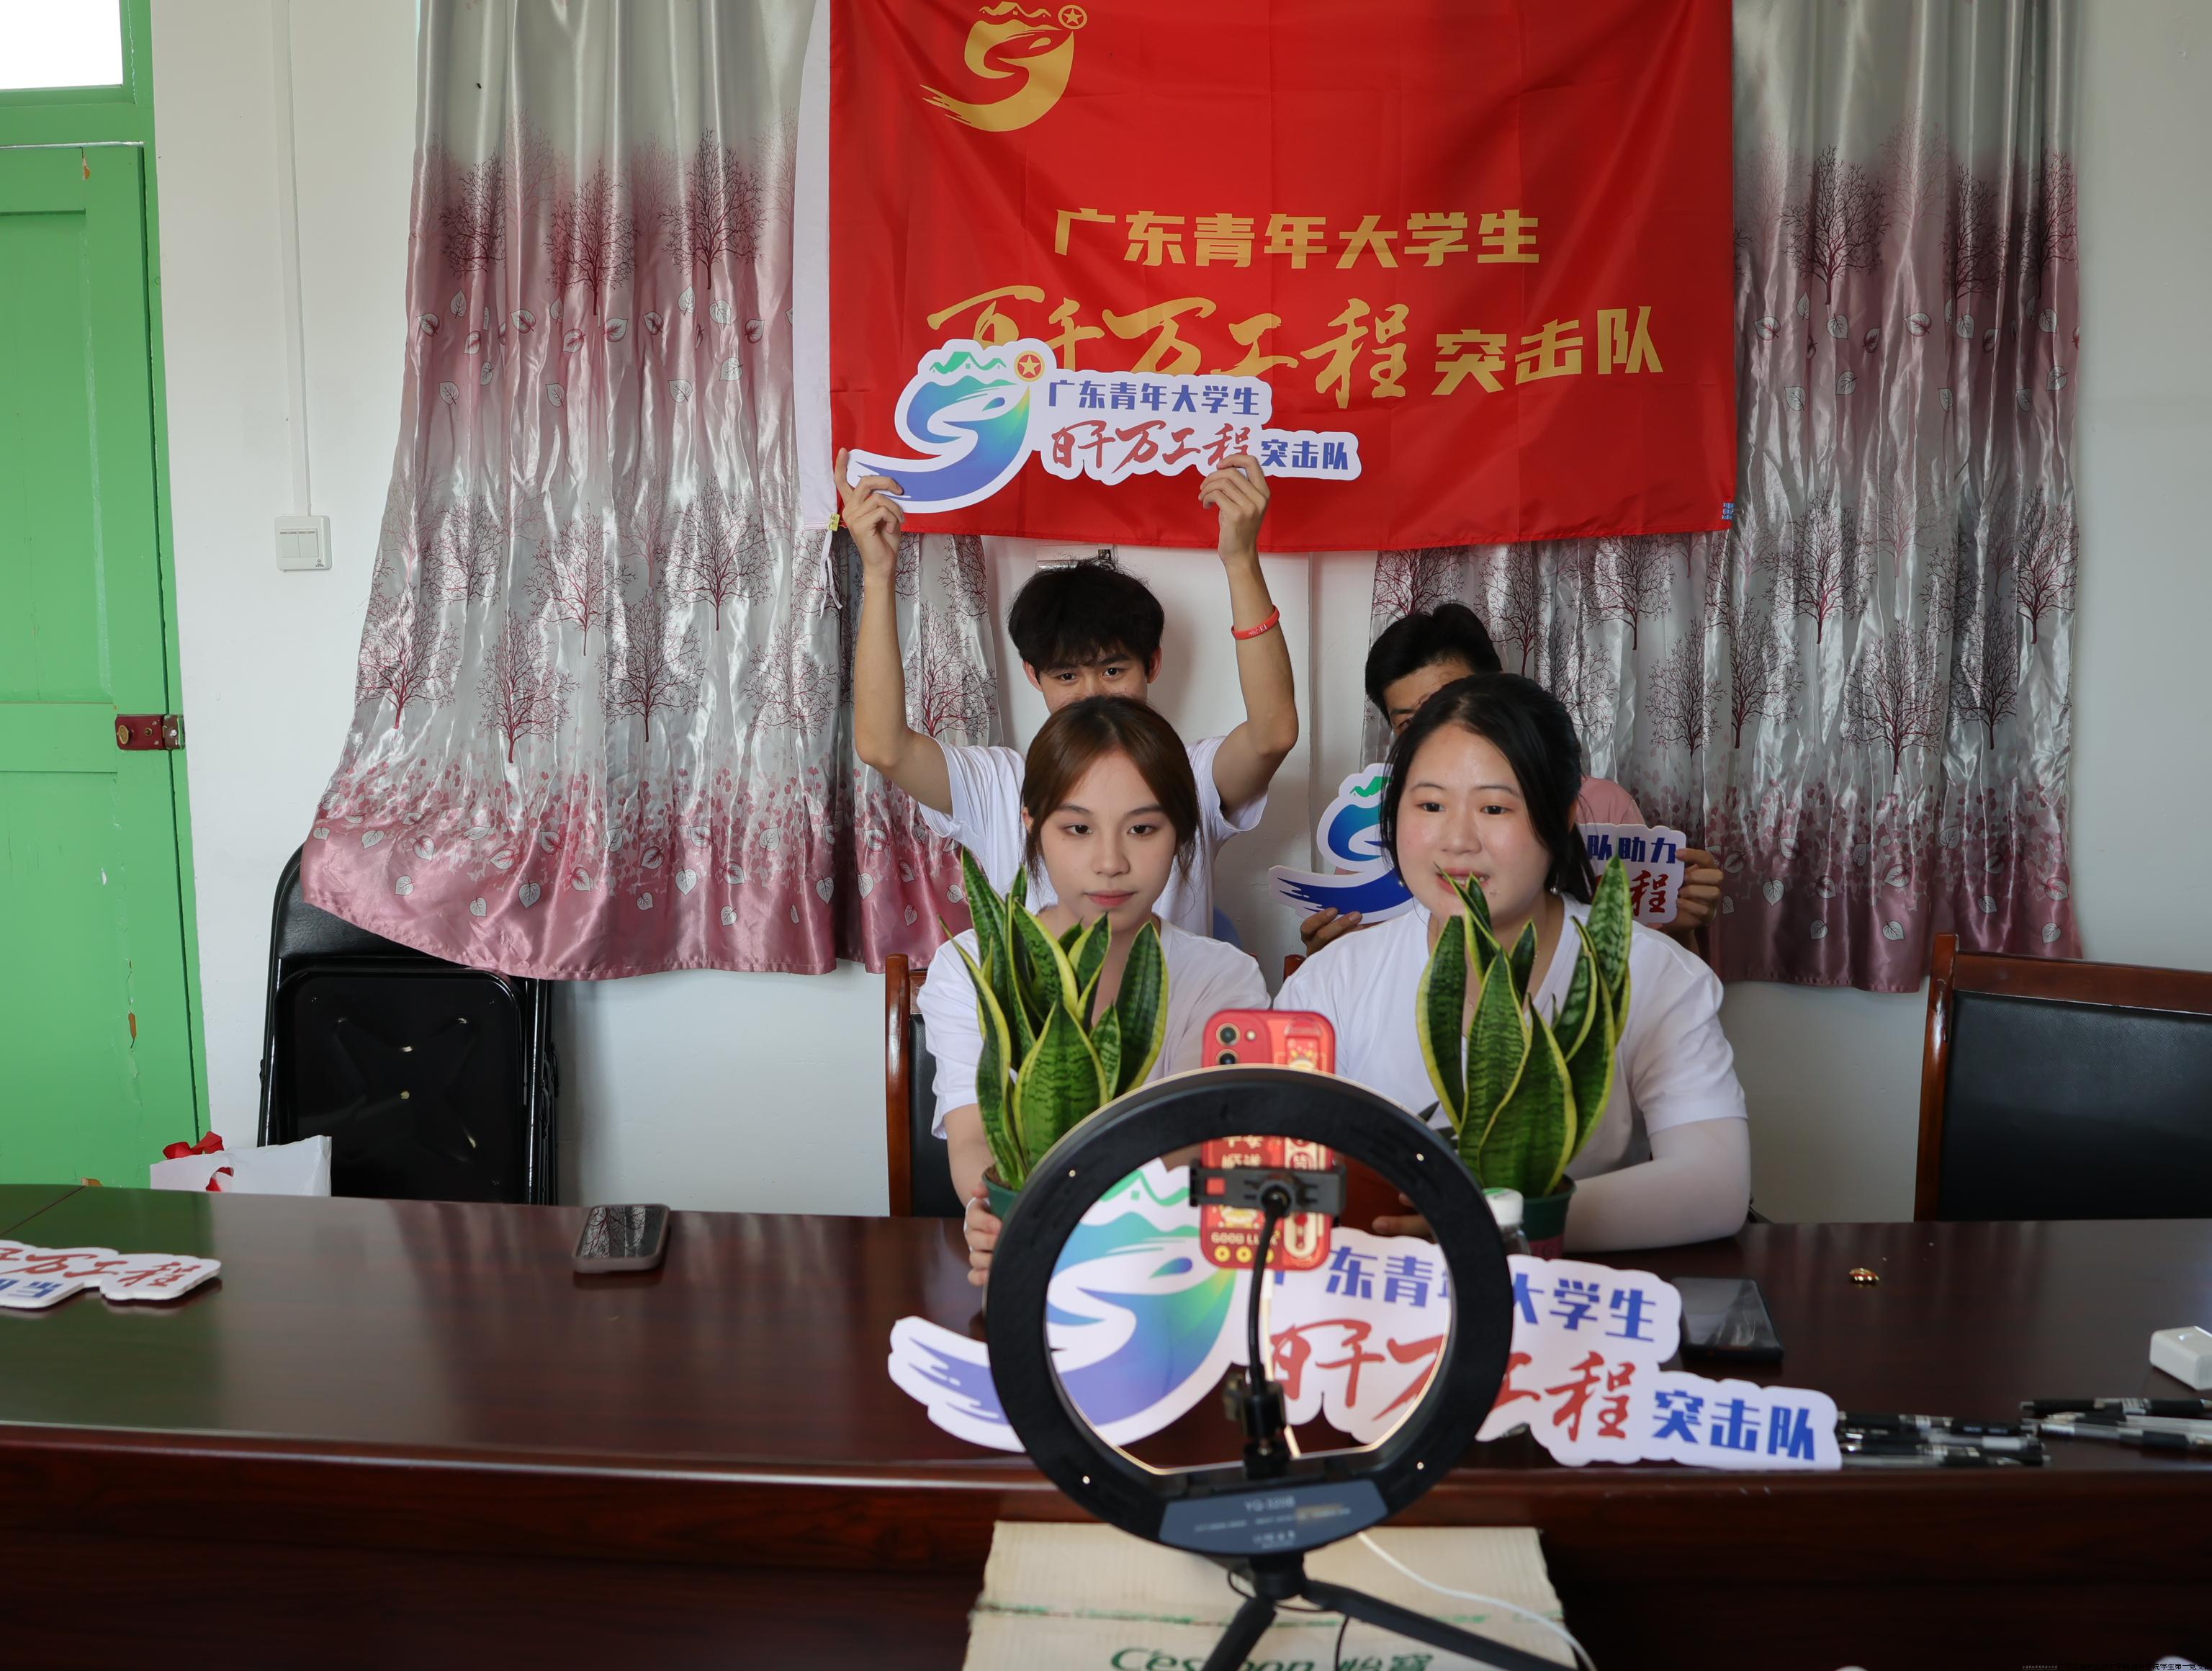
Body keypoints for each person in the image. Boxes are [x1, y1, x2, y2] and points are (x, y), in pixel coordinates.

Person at [1275, 673, 1750, 1253]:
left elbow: (1716, 1186)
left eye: (1495, 807)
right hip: (1384, 1290)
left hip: (1567, 1290)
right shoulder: (1332, 981)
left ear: (1562, 815)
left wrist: (1500, 1222)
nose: (1457, 840)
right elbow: (1272, 1168)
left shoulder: (1654, 974)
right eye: (1430, 804)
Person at [841, 448, 1298, 940]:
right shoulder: (998, 785)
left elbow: (1272, 734)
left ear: (1153, 664)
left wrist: (1241, 560)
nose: (1092, 693)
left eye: (1113, 670)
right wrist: (878, 574)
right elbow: (883, 747)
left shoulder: (1191, 777)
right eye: (1066, 677)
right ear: (1034, 676)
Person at [916, 696, 1270, 1287]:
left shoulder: (1224, 978)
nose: (1110, 862)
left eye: (1143, 829)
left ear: (1181, 830)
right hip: (1027, 1270)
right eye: (1078, 828)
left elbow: (1196, 1149)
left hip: (1168, 1274)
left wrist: (1070, 1228)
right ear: (1032, 823)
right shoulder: (970, 968)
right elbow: (974, 1138)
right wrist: (994, 1214)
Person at [1300, 601, 1725, 955]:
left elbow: (1648, 973)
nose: (1439, 731)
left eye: (1451, 702)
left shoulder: (1603, 805)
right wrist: (1329, 955)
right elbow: (1359, 964)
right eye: (1411, 722)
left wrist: (1680, 926)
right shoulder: (1374, 825)